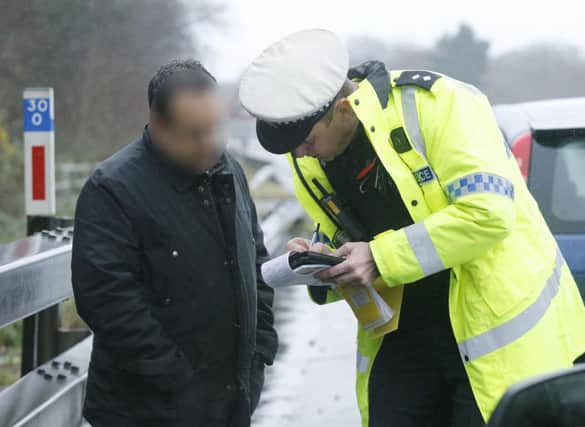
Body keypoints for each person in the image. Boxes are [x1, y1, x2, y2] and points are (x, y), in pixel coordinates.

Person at [238, 29, 585, 427]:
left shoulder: (442, 105)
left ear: (344, 108)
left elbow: (487, 213)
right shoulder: (310, 156)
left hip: (491, 336)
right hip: (402, 339)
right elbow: (344, 229)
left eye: (305, 139)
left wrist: (381, 257)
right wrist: (320, 257)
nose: (299, 153)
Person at [71, 59, 278, 427]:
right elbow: (106, 299)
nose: (210, 142)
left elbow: (255, 261)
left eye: (216, 128)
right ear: (159, 126)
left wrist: (259, 350)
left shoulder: (227, 169)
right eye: (196, 133)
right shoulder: (112, 189)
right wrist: (178, 381)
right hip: (144, 410)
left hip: (230, 401)